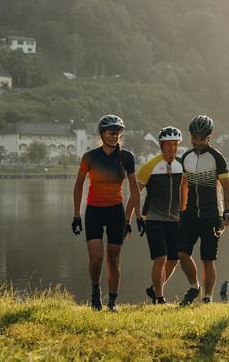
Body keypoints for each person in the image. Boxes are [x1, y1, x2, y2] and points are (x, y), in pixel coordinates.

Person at [71, 114, 140, 312]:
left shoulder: (126, 157)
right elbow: (78, 186)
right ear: (102, 134)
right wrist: (76, 215)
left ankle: (112, 302)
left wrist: (137, 217)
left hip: (115, 211)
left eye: (118, 133)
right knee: (96, 258)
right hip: (94, 210)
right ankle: (95, 291)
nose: (114, 136)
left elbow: (134, 188)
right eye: (111, 133)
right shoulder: (90, 157)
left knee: (114, 258)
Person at [177, 114, 229, 305]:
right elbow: (184, 185)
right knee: (182, 253)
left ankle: (208, 298)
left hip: (212, 216)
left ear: (209, 137)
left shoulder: (216, 158)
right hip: (190, 214)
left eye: (201, 139)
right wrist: (180, 209)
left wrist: (227, 210)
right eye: (194, 138)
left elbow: (227, 187)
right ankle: (194, 287)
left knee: (207, 259)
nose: (197, 142)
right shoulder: (186, 157)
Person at [135, 126, 187, 305]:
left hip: (174, 219)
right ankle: (159, 297)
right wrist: (131, 218)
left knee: (174, 259)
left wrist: (185, 213)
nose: (172, 148)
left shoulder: (182, 165)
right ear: (161, 145)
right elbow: (136, 194)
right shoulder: (150, 166)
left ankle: (154, 288)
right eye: (168, 145)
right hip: (154, 218)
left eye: (175, 145)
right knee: (161, 258)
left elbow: (185, 191)